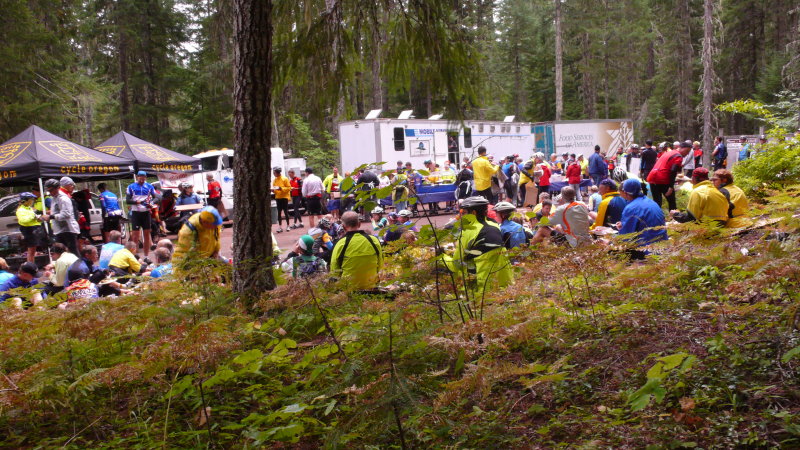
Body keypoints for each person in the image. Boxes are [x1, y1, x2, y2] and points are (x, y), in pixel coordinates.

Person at [441, 196, 513, 297]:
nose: (462, 216)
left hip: (483, 290)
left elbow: (456, 265)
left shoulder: (468, 231)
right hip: (505, 284)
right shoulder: (494, 224)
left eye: (465, 213)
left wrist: (441, 256)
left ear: (474, 213)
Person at [330, 211, 383, 291]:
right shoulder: (374, 240)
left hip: (349, 289)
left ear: (344, 227)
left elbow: (334, 270)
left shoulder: (340, 244)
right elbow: (381, 265)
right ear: (359, 224)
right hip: (371, 288)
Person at [617, 179, 668, 251]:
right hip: (664, 244)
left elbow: (625, 237)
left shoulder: (631, 208)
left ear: (625, 193)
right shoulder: (651, 202)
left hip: (648, 250)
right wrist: (624, 224)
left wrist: (610, 242)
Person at [647, 141, 691, 211]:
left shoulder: (669, 152)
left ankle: (656, 218)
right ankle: (673, 218)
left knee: (657, 202)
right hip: (662, 179)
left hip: (652, 177)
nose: (687, 153)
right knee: (672, 202)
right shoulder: (678, 156)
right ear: (681, 148)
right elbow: (673, 170)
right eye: (687, 151)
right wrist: (671, 187)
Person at [43, 178, 80, 255]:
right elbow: (56, 211)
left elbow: (66, 214)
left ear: (57, 188)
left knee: (72, 252)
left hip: (68, 229)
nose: (50, 193)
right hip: (59, 230)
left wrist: (51, 217)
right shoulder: (54, 198)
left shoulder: (63, 198)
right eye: (48, 191)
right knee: (61, 252)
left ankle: (81, 266)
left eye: (51, 190)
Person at [126, 170, 156, 258]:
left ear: (145, 178)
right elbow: (128, 200)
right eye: (140, 178)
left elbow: (157, 197)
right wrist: (137, 202)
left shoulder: (149, 186)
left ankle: (146, 256)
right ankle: (135, 256)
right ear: (137, 177)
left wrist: (152, 203)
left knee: (146, 235)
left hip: (146, 213)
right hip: (136, 213)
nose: (142, 180)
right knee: (135, 236)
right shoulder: (131, 186)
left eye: (143, 178)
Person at [16, 192, 47, 263]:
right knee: (31, 251)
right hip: (29, 231)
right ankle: (30, 266)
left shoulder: (29, 208)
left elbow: (33, 218)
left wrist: (39, 218)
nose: (32, 201)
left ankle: (32, 265)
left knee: (34, 250)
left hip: (36, 230)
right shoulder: (21, 210)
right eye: (31, 199)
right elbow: (24, 220)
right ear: (25, 200)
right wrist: (33, 216)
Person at [272, 167, 291, 232]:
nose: (273, 174)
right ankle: (280, 227)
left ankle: (288, 226)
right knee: (279, 212)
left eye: (274, 172)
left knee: (286, 211)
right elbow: (275, 189)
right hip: (278, 197)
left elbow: (289, 188)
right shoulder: (275, 180)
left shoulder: (284, 179)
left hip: (284, 197)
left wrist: (281, 188)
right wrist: (273, 190)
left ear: (278, 172)